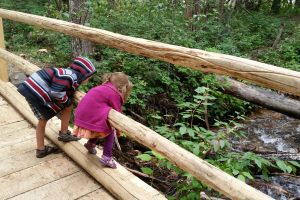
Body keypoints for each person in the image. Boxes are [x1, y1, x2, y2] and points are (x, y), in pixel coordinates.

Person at [17, 57, 96, 158]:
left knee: (67, 106)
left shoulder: (70, 75)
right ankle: (41, 149)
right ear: (83, 73)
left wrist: (68, 102)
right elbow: (56, 92)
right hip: (33, 92)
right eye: (89, 76)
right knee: (43, 119)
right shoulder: (69, 76)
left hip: (34, 90)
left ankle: (63, 133)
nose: (89, 78)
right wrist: (66, 101)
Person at [73, 72, 133, 169]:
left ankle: (90, 144)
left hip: (81, 115)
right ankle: (107, 157)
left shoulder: (102, 87)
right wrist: (118, 130)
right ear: (122, 88)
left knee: (99, 124)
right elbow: (117, 112)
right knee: (110, 130)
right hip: (89, 117)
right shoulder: (114, 93)